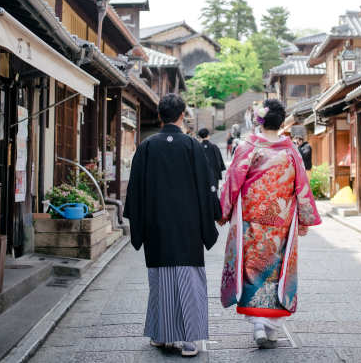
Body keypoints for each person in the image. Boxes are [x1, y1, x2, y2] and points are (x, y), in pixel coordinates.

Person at [218, 99, 321, 346]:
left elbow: (233, 181)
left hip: (252, 219)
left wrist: (224, 211)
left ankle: (259, 327)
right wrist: (304, 217)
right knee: (277, 269)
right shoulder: (290, 150)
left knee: (253, 268)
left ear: (259, 121)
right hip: (281, 221)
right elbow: (302, 186)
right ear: (282, 122)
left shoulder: (247, 147)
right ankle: (272, 328)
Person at [123, 94, 220, 357]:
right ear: (181, 115)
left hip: (156, 224)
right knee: (189, 279)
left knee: (160, 279)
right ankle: (190, 341)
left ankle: (162, 335)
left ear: (159, 116)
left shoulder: (146, 146)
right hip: (188, 224)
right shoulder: (191, 145)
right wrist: (213, 212)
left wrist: (139, 222)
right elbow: (206, 183)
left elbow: (135, 190)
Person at [198, 128, 226, 197]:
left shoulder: (198, 147)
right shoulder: (214, 147)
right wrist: (219, 174)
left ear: (200, 137)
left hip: (201, 175)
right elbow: (219, 161)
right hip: (214, 174)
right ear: (208, 135)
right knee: (214, 194)